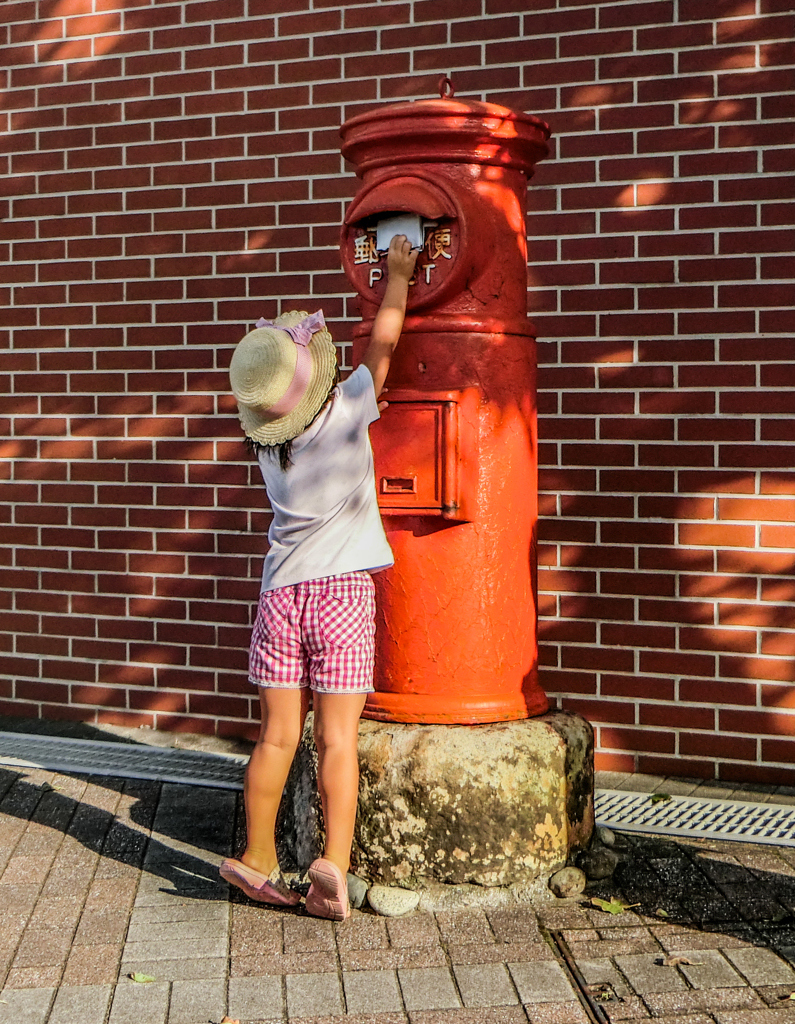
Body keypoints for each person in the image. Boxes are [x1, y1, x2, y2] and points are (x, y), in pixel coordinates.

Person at [220, 234, 418, 921]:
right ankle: (332, 861)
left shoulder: (267, 444)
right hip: (340, 591)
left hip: (280, 592)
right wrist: (398, 274)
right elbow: (383, 346)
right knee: (337, 738)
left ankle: (256, 855)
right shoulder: (346, 411)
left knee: (276, 737)